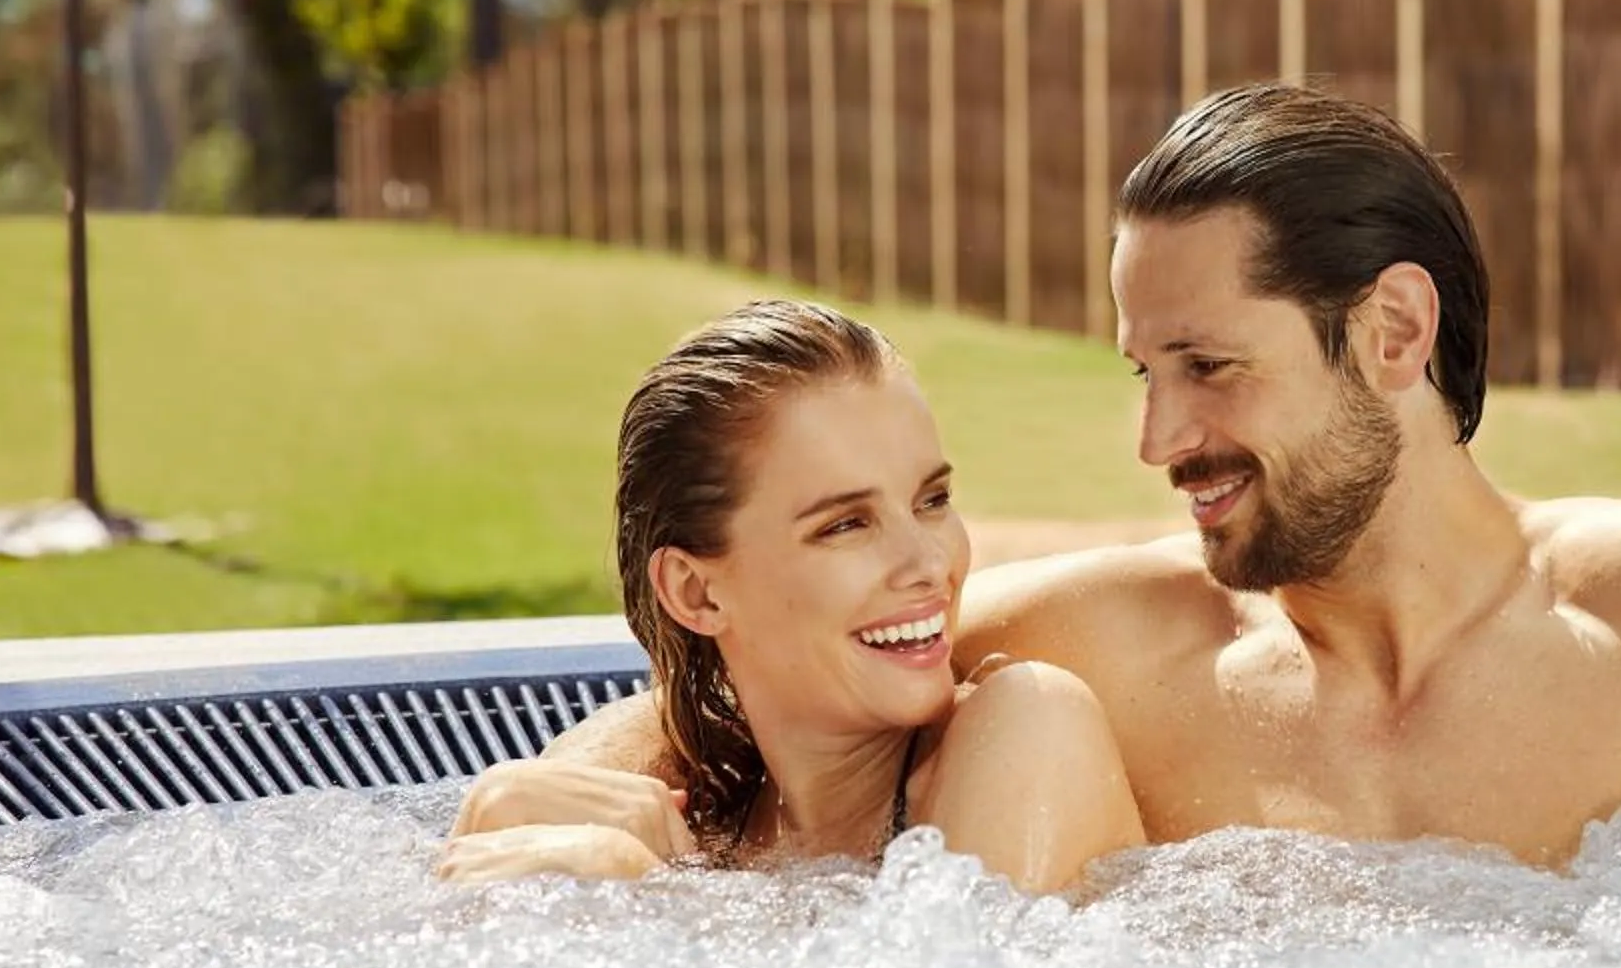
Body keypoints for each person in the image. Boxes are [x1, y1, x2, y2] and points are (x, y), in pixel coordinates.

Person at [455, 83, 1621, 902]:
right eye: (1142, 372)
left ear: (1393, 333)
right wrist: (564, 830)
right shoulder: (1118, 642)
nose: (1158, 439)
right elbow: (725, 700)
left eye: (1209, 367)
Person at [435, 299, 1144, 892]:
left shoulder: (1030, 726)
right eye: (846, 525)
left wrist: (648, 895)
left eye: (932, 500)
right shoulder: (688, 788)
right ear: (696, 592)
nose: (929, 563)